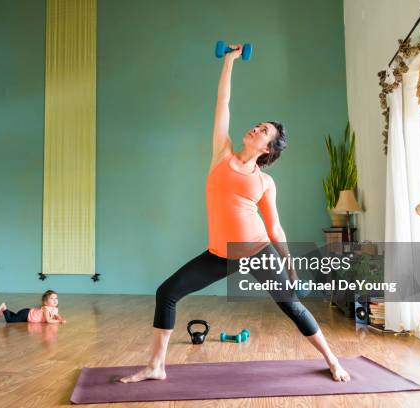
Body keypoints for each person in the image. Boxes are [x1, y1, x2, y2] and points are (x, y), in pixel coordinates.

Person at [120, 45, 350, 383]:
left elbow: (275, 229)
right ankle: (156, 366)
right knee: (166, 293)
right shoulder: (222, 154)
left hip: (258, 252)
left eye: (263, 131)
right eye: (257, 125)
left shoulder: (265, 182)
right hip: (220, 254)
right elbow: (222, 103)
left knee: (291, 306)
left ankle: (332, 360)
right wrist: (229, 61)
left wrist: (289, 266)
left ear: (268, 149)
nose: (256, 129)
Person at [0, 290, 66, 324]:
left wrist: (61, 319)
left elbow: (57, 315)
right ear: (45, 302)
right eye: (52, 298)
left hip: (27, 316)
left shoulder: (55, 309)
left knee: (14, 317)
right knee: (10, 321)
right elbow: (48, 320)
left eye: (56, 298)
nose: (55, 300)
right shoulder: (46, 309)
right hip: (26, 314)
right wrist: (59, 321)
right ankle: (4, 308)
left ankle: (5, 310)